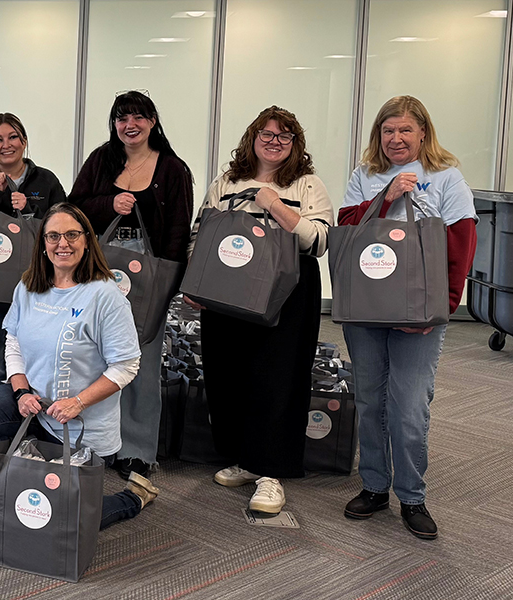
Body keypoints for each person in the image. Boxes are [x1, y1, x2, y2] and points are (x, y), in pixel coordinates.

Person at [0, 203, 158, 532]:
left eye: (71, 234)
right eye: (53, 236)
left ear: (86, 240)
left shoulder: (105, 296)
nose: (62, 243)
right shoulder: (28, 287)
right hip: (35, 410)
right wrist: (21, 390)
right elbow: (13, 343)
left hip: (80, 426)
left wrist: (77, 402)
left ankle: (133, 496)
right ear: (43, 243)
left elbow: (126, 365)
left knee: (62, 522)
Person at [338, 96, 477, 540]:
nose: (396, 139)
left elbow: (461, 245)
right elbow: (345, 227)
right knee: (371, 400)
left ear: (422, 133)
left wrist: (443, 307)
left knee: (410, 408)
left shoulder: (447, 178)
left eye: (405, 131)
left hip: (420, 313)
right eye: (387, 131)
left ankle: (412, 496)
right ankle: (376, 486)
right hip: (366, 309)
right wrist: (387, 193)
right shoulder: (365, 176)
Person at [184, 106, 333, 515]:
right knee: (227, 374)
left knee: (277, 377)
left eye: (284, 136)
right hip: (227, 290)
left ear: (295, 144)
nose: (273, 142)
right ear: (252, 138)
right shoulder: (227, 181)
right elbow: (201, 232)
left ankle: (272, 473)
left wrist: (275, 205)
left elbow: (319, 242)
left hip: (286, 293)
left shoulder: (307, 184)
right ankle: (246, 459)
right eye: (266, 134)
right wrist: (194, 282)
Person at [69, 90, 193, 481]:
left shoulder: (173, 169)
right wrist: (110, 204)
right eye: (123, 118)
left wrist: (170, 283)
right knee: (94, 361)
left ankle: (138, 450)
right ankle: (95, 444)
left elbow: (178, 230)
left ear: (153, 121)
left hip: (147, 283)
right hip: (96, 278)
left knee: (140, 365)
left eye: (139, 117)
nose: (130, 125)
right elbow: (74, 207)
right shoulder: (100, 160)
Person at [0, 113, 66, 392]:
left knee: (33, 366)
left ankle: (29, 430)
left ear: (25, 141)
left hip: (35, 291)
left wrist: (30, 208)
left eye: (13, 137)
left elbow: (66, 231)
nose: (6, 145)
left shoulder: (46, 181)